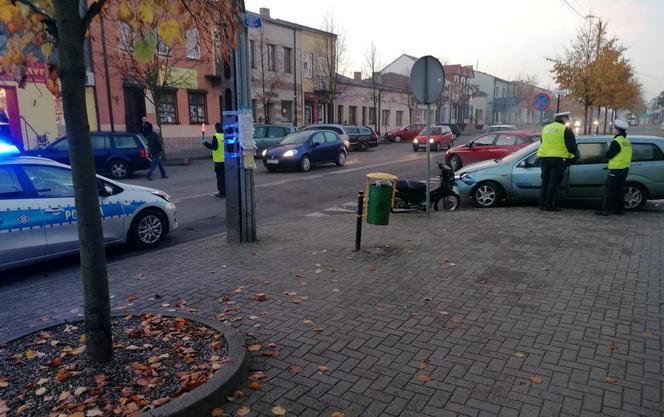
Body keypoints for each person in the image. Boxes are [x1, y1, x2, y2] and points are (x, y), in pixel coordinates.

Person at [537, 111, 577, 211]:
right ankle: (549, 205)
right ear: (563, 119)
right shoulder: (565, 129)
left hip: (544, 158)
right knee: (553, 183)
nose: (568, 121)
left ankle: (542, 204)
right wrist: (571, 157)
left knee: (545, 181)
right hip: (558, 159)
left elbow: (542, 141)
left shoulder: (546, 128)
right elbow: (572, 146)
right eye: (567, 119)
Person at [596, 119, 632, 216]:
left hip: (616, 170)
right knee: (619, 190)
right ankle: (619, 209)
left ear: (618, 130)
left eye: (614, 129)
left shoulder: (616, 142)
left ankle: (605, 210)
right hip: (624, 169)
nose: (613, 130)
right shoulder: (627, 141)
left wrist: (607, 151)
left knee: (609, 190)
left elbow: (609, 155)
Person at [201, 122, 225, 198]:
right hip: (226, 161)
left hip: (218, 161)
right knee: (225, 177)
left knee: (220, 178)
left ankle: (222, 193)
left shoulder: (216, 136)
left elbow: (213, 147)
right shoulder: (225, 136)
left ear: (216, 128)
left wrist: (204, 143)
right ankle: (227, 191)